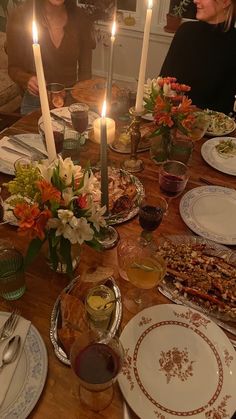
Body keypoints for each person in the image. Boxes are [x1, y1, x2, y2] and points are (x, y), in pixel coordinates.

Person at [6, 0, 96, 114]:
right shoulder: (21, 17)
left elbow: (86, 74)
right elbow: (13, 68)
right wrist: (28, 79)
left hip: (71, 100)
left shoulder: (81, 18)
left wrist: (81, 99)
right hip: (36, 102)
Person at [160, 0, 236, 114]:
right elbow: (163, 82)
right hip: (172, 121)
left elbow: (225, 106)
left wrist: (195, 111)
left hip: (212, 128)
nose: (195, 0)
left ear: (225, 2)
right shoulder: (185, 31)